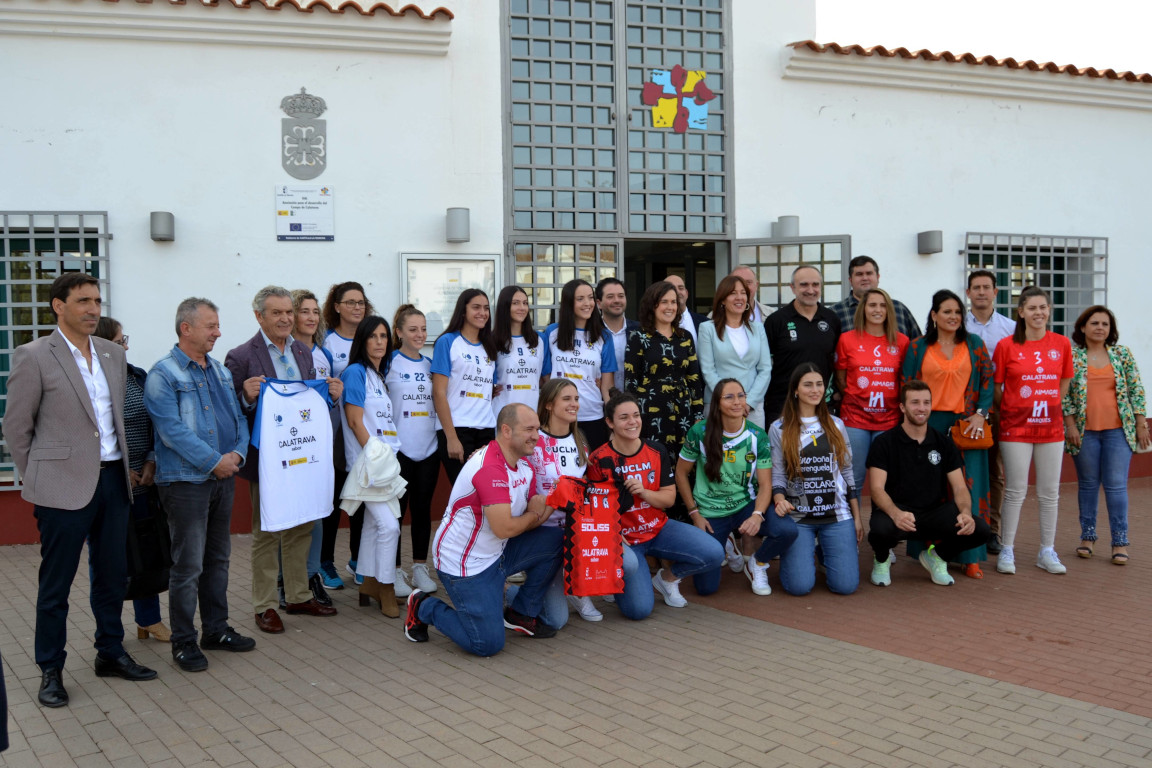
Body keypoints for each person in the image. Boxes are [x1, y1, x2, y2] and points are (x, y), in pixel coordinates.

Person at [3, 273, 157, 708]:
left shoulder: (111, 353)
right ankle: (50, 668)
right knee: (56, 584)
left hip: (114, 480)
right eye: (83, 301)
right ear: (59, 306)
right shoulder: (33, 355)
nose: (93, 309)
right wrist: (38, 476)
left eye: (97, 301)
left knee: (111, 574)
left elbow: (114, 419)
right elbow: (17, 427)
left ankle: (110, 651)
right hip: (61, 488)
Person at [145, 298, 256, 672]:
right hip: (186, 483)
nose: (218, 332)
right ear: (186, 328)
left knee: (218, 559)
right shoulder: (164, 374)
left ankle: (216, 630)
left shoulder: (221, 372)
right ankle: (183, 641)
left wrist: (237, 455)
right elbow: (171, 430)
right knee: (188, 565)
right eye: (211, 326)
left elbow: (238, 419)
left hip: (224, 477)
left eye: (217, 325)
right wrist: (215, 461)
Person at [403, 404, 564, 656]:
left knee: (558, 539)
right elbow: (505, 527)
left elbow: (527, 518)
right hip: (465, 564)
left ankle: (521, 612)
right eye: (529, 429)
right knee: (486, 644)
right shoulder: (490, 467)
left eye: (537, 429)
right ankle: (424, 606)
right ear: (506, 431)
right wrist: (536, 513)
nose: (536, 435)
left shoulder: (524, 465)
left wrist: (550, 502)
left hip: (497, 553)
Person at [225, 285, 338, 635]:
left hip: (303, 455)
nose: (286, 318)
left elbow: (307, 405)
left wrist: (331, 397)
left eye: (289, 312)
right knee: (266, 531)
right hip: (266, 460)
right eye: (277, 313)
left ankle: (298, 595)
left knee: (301, 524)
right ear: (259, 316)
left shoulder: (304, 353)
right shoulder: (241, 356)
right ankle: (265, 605)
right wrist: (244, 394)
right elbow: (229, 410)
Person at [587, 391, 724, 617]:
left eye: (636, 415)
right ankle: (614, 580)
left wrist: (644, 492)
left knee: (714, 553)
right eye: (624, 417)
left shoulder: (656, 450)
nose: (632, 422)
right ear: (610, 422)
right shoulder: (599, 458)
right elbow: (594, 509)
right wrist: (611, 535)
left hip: (658, 528)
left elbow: (668, 499)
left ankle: (666, 579)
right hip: (626, 540)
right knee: (638, 611)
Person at [901, 289, 993, 578]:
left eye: (957, 312)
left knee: (970, 488)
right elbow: (906, 384)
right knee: (929, 490)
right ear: (934, 315)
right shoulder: (918, 347)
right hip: (927, 425)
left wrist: (981, 413)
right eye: (947, 312)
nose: (953, 317)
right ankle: (928, 551)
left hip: (967, 427)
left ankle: (970, 556)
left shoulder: (975, 344)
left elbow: (988, 381)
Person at [677, 379, 798, 597]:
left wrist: (758, 515)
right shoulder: (699, 432)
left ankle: (757, 564)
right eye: (729, 397)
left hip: (746, 505)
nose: (737, 402)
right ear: (716, 403)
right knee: (706, 589)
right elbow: (680, 474)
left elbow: (765, 484)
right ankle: (727, 543)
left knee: (787, 530)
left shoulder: (757, 435)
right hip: (710, 511)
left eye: (741, 396)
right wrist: (694, 513)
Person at [865, 381, 993, 587]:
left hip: (934, 513)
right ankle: (881, 559)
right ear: (902, 407)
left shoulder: (943, 443)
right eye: (915, 402)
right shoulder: (885, 442)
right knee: (880, 530)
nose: (921, 408)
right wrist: (895, 513)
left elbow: (960, 487)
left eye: (926, 402)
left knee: (979, 530)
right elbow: (876, 489)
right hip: (900, 513)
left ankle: (937, 557)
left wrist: (966, 513)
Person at [93, 317, 170, 643]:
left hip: (143, 482)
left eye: (125, 340)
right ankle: (108, 633)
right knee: (106, 559)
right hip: (105, 482)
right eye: (120, 341)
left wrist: (151, 460)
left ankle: (148, 620)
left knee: (146, 551)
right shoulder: (91, 383)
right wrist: (117, 468)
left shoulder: (137, 376)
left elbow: (156, 422)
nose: (126, 346)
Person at [993, 286, 1074, 576]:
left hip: (1051, 427)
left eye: (1043, 307)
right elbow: (998, 388)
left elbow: (1064, 381)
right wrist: (1016, 408)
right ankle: (1007, 550)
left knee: (1049, 492)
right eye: (1032, 308)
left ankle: (1046, 550)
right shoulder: (1006, 346)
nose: (1038, 313)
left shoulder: (1062, 344)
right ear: (1021, 312)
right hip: (1015, 427)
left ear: (1049, 310)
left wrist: (1051, 403)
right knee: (1015, 489)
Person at [1064, 306, 1149, 565]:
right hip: (1084, 431)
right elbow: (1065, 395)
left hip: (1118, 431)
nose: (1100, 328)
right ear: (1082, 327)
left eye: (1105, 324)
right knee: (1088, 485)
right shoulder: (1073, 356)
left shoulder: (1122, 354)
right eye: (1094, 323)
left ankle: (1120, 542)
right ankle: (1087, 538)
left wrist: (1141, 423)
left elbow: (1136, 389)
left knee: (1116, 486)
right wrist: (1070, 425)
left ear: (1110, 330)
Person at [510, 378, 595, 624]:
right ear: (548, 404)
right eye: (566, 399)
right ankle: (514, 593)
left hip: (575, 532)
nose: (574, 404)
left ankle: (578, 588)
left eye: (576, 399)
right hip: (542, 532)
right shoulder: (534, 442)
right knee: (556, 621)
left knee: (628, 563)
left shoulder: (580, 439)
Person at [771, 364, 861, 596]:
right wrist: (779, 499)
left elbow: (847, 472)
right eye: (808, 384)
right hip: (799, 517)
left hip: (836, 515)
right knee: (798, 587)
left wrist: (857, 518)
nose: (815, 390)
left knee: (846, 587)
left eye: (819, 384)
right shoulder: (779, 428)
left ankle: (823, 552)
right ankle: (805, 555)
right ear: (796, 390)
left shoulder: (836, 424)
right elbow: (778, 474)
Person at [340, 316, 403, 616]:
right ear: (362, 340)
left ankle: (367, 583)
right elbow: (355, 421)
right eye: (373, 336)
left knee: (373, 524)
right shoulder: (355, 373)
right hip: (369, 463)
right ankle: (386, 587)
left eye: (384, 336)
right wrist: (375, 454)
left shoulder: (378, 375)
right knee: (390, 525)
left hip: (384, 460)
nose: (380, 341)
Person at [319, 281, 374, 589]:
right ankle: (326, 562)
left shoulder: (371, 340)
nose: (357, 307)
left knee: (361, 498)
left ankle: (357, 559)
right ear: (336, 307)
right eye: (350, 302)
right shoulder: (327, 343)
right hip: (336, 433)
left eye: (361, 302)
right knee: (334, 497)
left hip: (367, 431)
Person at [291, 289, 343, 607]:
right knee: (294, 517)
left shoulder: (323, 355)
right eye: (304, 311)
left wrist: (335, 394)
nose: (311, 317)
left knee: (318, 514)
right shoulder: (284, 354)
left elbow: (325, 403)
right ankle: (290, 580)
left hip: (321, 448)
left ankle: (312, 576)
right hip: (293, 447)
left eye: (314, 312)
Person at [386, 304, 441, 597]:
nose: (419, 335)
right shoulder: (388, 363)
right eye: (412, 330)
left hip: (428, 449)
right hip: (399, 451)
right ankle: (393, 570)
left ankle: (420, 566)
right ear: (399, 332)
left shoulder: (431, 365)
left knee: (422, 511)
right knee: (395, 514)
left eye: (423, 329)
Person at [835, 288, 909, 499]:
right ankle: (852, 528)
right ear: (863, 309)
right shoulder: (847, 340)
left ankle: (882, 529)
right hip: (855, 419)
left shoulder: (901, 341)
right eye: (872, 305)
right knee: (854, 478)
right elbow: (841, 378)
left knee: (886, 480)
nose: (878, 310)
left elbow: (904, 379)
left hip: (889, 419)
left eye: (883, 305)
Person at [624, 280, 705, 472]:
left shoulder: (685, 337)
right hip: (650, 413)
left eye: (674, 302)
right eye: (664, 302)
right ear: (653, 305)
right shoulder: (638, 337)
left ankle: (684, 502)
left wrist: (698, 415)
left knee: (686, 465)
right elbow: (631, 381)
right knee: (654, 463)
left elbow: (694, 379)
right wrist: (633, 417)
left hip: (683, 411)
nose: (670, 307)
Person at [965, 269, 1016, 554]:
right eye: (976, 287)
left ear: (996, 292)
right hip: (963, 409)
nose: (981, 292)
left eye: (987, 287)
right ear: (968, 292)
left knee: (994, 471)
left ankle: (992, 531)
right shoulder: (958, 326)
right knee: (959, 470)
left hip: (997, 409)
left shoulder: (1010, 328)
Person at [432, 288, 498, 482]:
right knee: (466, 492)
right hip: (458, 429)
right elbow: (438, 392)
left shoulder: (489, 345)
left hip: (486, 429)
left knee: (485, 491)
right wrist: (451, 438)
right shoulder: (448, 342)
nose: (482, 313)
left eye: (486, 308)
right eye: (476, 307)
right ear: (463, 311)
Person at [542, 279, 617, 450]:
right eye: (580, 299)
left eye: (590, 298)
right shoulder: (552, 332)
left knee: (593, 470)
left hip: (592, 415)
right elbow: (546, 376)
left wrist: (612, 420)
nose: (588, 303)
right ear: (569, 303)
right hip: (558, 416)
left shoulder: (603, 336)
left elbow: (607, 385)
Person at [763, 266, 841, 425]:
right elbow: (764, 365)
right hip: (783, 405)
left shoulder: (832, 319)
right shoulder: (776, 321)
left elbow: (837, 361)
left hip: (820, 404)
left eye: (816, 285)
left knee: (819, 450)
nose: (811, 290)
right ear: (792, 288)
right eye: (804, 284)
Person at [698, 274, 772, 429]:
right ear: (723, 299)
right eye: (733, 293)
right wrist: (729, 399)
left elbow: (765, 369)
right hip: (718, 405)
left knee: (751, 452)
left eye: (743, 293)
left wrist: (749, 401)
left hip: (751, 407)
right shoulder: (707, 329)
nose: (739, 297)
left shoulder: (758, 328)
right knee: (718, 451)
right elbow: (707, 370)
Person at [830, 256, 922, 340]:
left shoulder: (899, 309)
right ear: (850, 280)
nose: (865, 278)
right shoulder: (835, 313)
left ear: (878, 277)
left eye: (869, 273)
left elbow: (918, 346)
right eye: (859, 274)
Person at [492, 285, 545, 413]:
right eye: (515, 303)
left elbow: (545, 378)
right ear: (505, 306)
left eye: (525, 303)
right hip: (501, 413)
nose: (522, 308)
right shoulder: (492, 340)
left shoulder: (540, 339)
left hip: (532, 412)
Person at [596, 277, 639, 391]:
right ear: (599, 303)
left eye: (621, 296)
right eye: (610, 297)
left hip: (634, 401)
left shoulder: (640, 331)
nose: (617, 300)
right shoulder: (591, 332)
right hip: (600, 401)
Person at [664, 273, 707, 343]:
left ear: (686, 293)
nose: (677, 292)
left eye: (681, 288)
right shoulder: (654, 324)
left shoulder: (704, 322)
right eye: (672, 288)